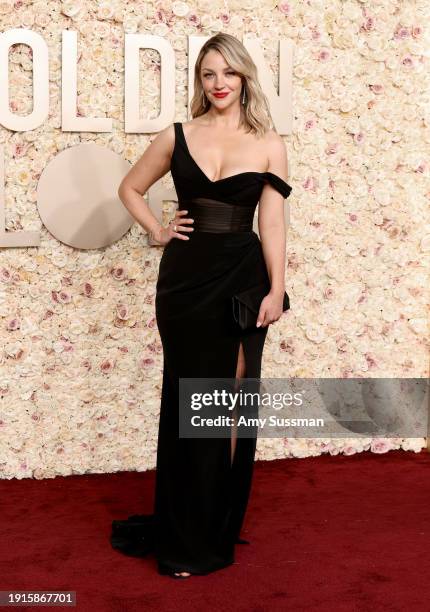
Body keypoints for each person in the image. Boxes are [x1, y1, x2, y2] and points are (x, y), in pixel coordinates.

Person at [111, 32, 292, 578]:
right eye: (208, 74)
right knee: (188, 403)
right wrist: (157, 232)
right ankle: (185, 529)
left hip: (242, 279)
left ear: (244, 78)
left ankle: (217, 523)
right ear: (199, 80)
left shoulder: (269, 143)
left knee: (228, 403)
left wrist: (276, 289)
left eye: (228, 73)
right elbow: (129, 189)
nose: (218, 84)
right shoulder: (176, 135)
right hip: (185, 286)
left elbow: (273, 222)